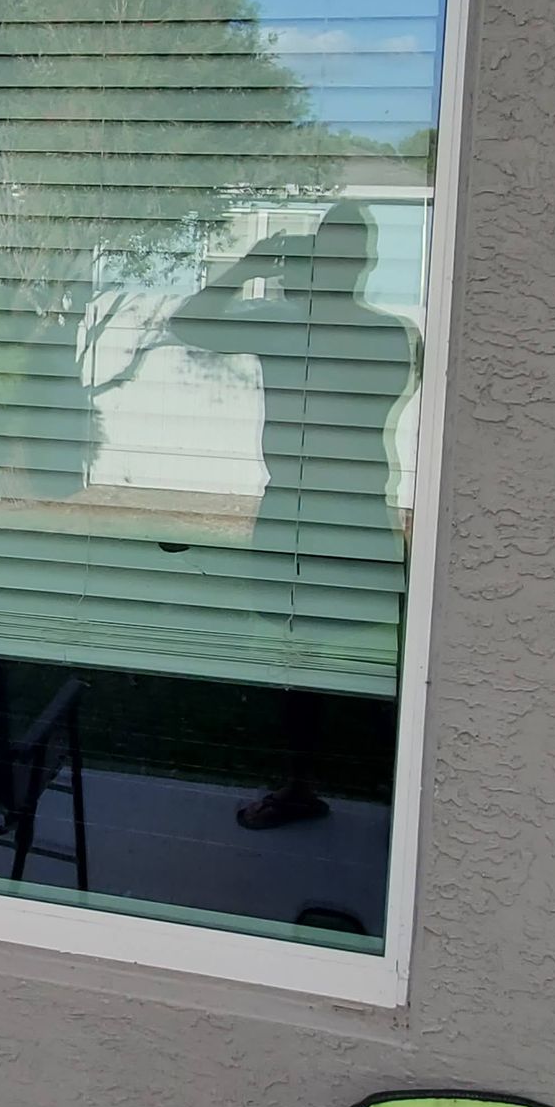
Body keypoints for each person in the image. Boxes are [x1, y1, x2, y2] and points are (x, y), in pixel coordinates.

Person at [165, 200, 416, 829]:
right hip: (303, 513)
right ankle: (306, 786)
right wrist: (252, 265)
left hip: (348, 516)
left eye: (338, 252)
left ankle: (402, 799)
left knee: (372, 665)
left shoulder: (359, 333)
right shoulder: (316, 328)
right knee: (299, 660)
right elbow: (187, 323)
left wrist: (256, 270)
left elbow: (195, 322)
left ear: (360, 261)